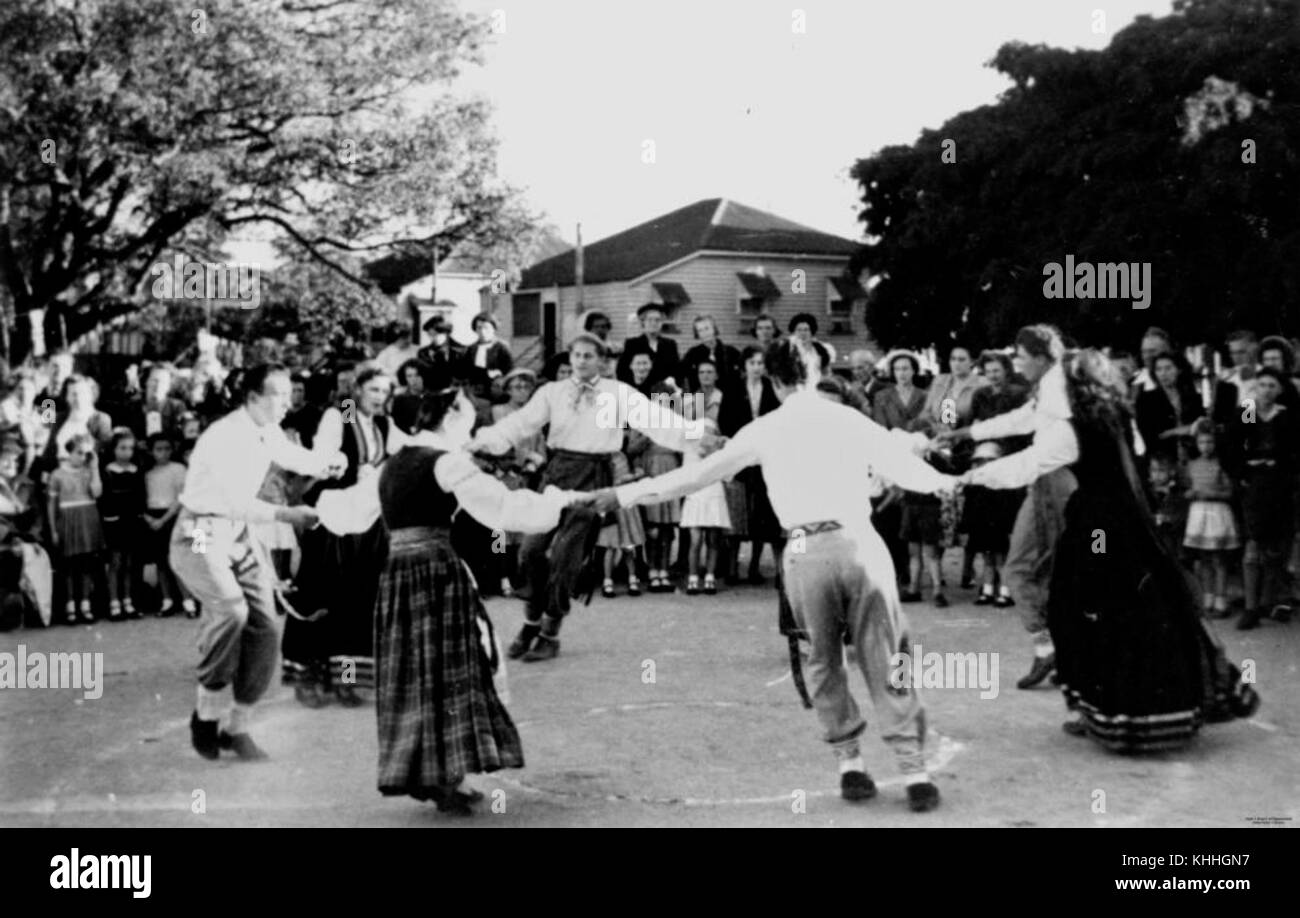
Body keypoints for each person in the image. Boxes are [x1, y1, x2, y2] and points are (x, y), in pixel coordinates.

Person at [598, 338, 955, 812]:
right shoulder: (847, 418)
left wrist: (624, 495)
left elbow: (693, 478)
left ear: (774, 378)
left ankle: (850, 763)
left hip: (805, 546)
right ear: (814, 372)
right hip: (858, 539)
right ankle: (914, 770)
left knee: (823, 657)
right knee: (886, 652)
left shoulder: (763, 428)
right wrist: (952, 482)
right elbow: (905, 469)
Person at [313, 376, 592, 813]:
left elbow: (346, 511)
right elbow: (504, 508)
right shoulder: (445, 462)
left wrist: (312, 509)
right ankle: (446, 775)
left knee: (416, 672)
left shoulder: (394, 462)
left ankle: (432, 774)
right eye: (466, 413)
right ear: (450, 417)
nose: (473, 421)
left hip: (398, 575)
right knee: (457, 666)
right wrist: (564, 501)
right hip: (436, 572)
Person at [968, 349, 1259, 751]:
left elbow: (1028, 464)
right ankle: (1162, 705)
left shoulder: (1073, 429)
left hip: (1096, 527)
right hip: (1129, 524)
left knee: (1080, 610)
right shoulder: (1119, 416)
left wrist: (971, 476)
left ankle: (1111, 710)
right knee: (1144, 608)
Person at [470, 333, 700, 662]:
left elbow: (657, 422)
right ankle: (530, 623)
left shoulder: (617, 393)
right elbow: (519, 424)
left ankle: (550, 632)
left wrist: (697, 438)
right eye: (576, 355)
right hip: (556, 475)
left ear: (603, 362)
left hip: (593, 479)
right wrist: (484, 441)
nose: (580, 361)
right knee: (531, 552)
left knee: (565, 559)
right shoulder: (552, 392)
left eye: (588, 356)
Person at [173, 364, 346, 762]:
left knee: (266, 627)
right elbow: (236, 502)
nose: (288, 402)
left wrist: (323, 464)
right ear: (253, 397)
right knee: (230, 610)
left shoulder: (266, 428)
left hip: (237, 532)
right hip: (199, 530)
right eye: (279, 395)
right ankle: (206, 713)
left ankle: (238, 726)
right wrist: (289, 515)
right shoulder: (224, 437)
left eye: (289, 394)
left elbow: (291, 455)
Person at [938, 326, 1077, 690]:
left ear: (1043, 357)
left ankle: (1064, 654)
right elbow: (1020, 420)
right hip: (1046, 483)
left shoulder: (1060, 391)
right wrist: (966, 434)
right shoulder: (1047, 387)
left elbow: (1034, 459)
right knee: (1029, 569)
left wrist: (975, 476)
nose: (1016, 363)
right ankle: (1053, 650)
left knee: (1050, 573)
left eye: (1021, 356)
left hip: (1061, 485)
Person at [283, 367, 398, 708]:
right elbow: (327, 449)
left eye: (384, 392)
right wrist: (336, 461)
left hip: (367, 517)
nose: (378, 397)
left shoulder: (383, 424)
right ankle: (308, 675)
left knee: (357, 597)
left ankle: (347, 678)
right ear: (359, 389)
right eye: (373, 389)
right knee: (318, 591)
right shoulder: (344, 411)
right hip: (333, 514)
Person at [1225, 367, 1299, 630]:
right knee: (1253, 546)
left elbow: (1294, 452)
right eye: (1262, 385)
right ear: (1255, 387)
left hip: (1279, 486)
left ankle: (1268, 601)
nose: (1266, 390)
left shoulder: (1286, 416)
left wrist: (1285, 473)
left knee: (1275, 549)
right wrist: (1243, 473)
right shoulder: (1247, 411)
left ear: (1279, 390)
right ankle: (1250, 608)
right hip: (1255, 485)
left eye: (1272, 386)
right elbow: (1232, 446)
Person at [959, 351, 1031, 607]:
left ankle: (1007, 587)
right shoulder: (980, 395)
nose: (993, 375)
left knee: (1004, 531)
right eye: (988, 371)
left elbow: (1023, 430)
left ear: (1007, 370)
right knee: (985, 533)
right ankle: (987, 585)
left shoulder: (1019, 394)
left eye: (997, 370)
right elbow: (973, 425)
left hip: (1009, 464)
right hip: (984, 462)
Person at [718, 345, 782, 585]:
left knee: (764, 512)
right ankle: (733, 567)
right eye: (752, 363)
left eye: (760, 363)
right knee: (739, 511)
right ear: (744, 366)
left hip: (766, 456)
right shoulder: (733, 389)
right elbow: (726, 421)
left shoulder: (772, 389)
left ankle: (757, 565)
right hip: (741, 455)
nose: (757, 368)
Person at [679, 363, 729, 594]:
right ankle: (692, 576)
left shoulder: (721, 403)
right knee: (695, 538)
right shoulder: (688, 413)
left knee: (713, 536)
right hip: (695, 481)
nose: (706, 376)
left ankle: (709, 575)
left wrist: (714, 443)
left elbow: (721, 445)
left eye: (710, 371)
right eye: (702, 372)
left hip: (712, 481)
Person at [1183, 420, 1239, 618]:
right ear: (1196, 444)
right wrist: (1190, 494)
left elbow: (1230, 492)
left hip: (1217, 513)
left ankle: (1221, 598)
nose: (1206, 446)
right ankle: (1207, 596)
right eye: (1202, 442)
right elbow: (1187, 488)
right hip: (1199, 513)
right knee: (1204, 558)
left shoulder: (1221, 464)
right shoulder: (1192, 465)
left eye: (1210, 442)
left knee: (1218, 559)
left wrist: (1212, 494)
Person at [48, 432, 105, 624]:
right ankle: (70, 605)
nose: (82, 457)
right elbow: (51, 504)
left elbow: (97, 492)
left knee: (86, 564)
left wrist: (95, 467)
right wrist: (54, 529)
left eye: (86, 454)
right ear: (70, 452)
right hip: (68, 518)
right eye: (79, 453)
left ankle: (85, 605)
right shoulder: (57, 474)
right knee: (70, 565)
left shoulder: (89, 472)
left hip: (88, 517)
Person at [143, 434, 192, 617]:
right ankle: (167, 600)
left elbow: (181, 497)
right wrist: (149, 518)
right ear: (151, 451)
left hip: (173, 515)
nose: (163, 453)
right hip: (154, 517)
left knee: (178, 560)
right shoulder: (148, 472)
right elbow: (143, 498)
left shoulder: (179, 469)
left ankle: (188, 601)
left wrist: (164, 519)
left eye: (167, 449)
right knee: (161, 561)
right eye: (158, 449)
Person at [99, 428, 145, 620]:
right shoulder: (109, 471)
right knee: (115, 562)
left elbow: (139, 496)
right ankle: (113, 602)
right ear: (114, 449)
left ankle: (128, 601)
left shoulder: (135, 470)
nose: (127, 452)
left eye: (130, 448)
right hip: (115, 520)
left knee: (129, 562)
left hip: (131, 519)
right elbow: (105, 499)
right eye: (122, 448)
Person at [1135, 352, 1204, 468]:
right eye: (1159, 369)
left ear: (1179, 370)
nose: (1163, 374)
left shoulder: (1193, 397)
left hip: (1193, 457)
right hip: (1162, 461)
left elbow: (1201, 425)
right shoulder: (1146, 399)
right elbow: (1150, 434)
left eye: (1168, 368)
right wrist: (1178, 431)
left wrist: (1170, 432)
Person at [598, 447, 646, 598]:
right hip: (613, 502)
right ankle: (607, 581)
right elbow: (606, 481)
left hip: (626, 502)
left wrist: (635, 475)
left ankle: (632, 579)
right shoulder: (603, 457)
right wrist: (627, 479)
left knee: (628, 546)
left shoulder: (623, 455)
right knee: (611, 546)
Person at [616, 303, 680, 387]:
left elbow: (677, 370)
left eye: (657, 320)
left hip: (663, 393)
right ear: (643, 322)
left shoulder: (670, 344)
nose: (653, 323)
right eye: (649, 320)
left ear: (662, 322)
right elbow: (621, 371)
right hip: (639, 392)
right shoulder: (632, 344)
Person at [681, 316, 742, 393]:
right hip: (700, 399)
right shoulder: (693, 354)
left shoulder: (730, 352)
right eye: (700, 330)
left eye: (707, 328)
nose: (704, 333)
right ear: (697, 334)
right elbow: (680, 372)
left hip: (727, 398)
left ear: (714, 329)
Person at [461, 313, 513, 402]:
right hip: (476, 395)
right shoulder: (471, 349)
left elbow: (509, 371)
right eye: (479, 327)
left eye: (486, 327)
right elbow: (465, 373)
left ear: (493, 329)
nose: (482, 331)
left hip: (497, 392)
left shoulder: (502, 347)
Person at [416, 315, 468, 381]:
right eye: (429, 335)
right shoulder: (423, 353)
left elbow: (465, 376)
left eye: (435, 334)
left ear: (446, 333)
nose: (432, 338)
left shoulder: (461, 350)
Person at [390, 360, 427, 435]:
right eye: (409, 376)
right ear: (404, 378)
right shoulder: (399, 400)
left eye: (417, 375)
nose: (413, 379)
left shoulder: (433, 396)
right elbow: (396, 426)